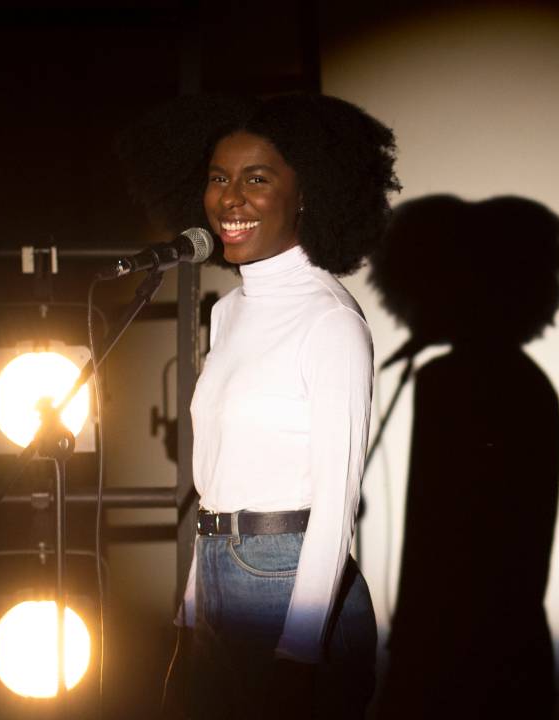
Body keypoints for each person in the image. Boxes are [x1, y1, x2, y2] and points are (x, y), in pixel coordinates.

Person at [171, 93, 401, 719]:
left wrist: (300, 654)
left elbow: (336, 507)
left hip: (291, 582)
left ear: (307, 194)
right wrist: (191, 615)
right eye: (219, 178)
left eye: (257, 178)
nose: (230, 198)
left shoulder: (328, 320)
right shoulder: (226, 314)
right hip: (218, 568)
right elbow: (216, 483)